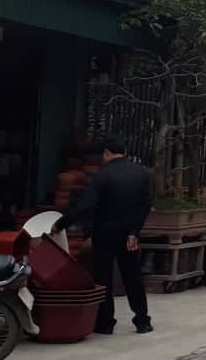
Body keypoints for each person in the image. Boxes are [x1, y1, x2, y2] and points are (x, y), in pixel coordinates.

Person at [53, 137, 153, 335]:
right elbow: (145, 205)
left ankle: (106, 323)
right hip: (129, 236)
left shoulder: (101, 176)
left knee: (103, 278)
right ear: (124, 152)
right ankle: (142, 321)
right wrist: (134, 232)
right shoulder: (141, 173)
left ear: (106, 153)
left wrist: (60, 223)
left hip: (104, 233)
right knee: (133, 277)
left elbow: (85, 206)